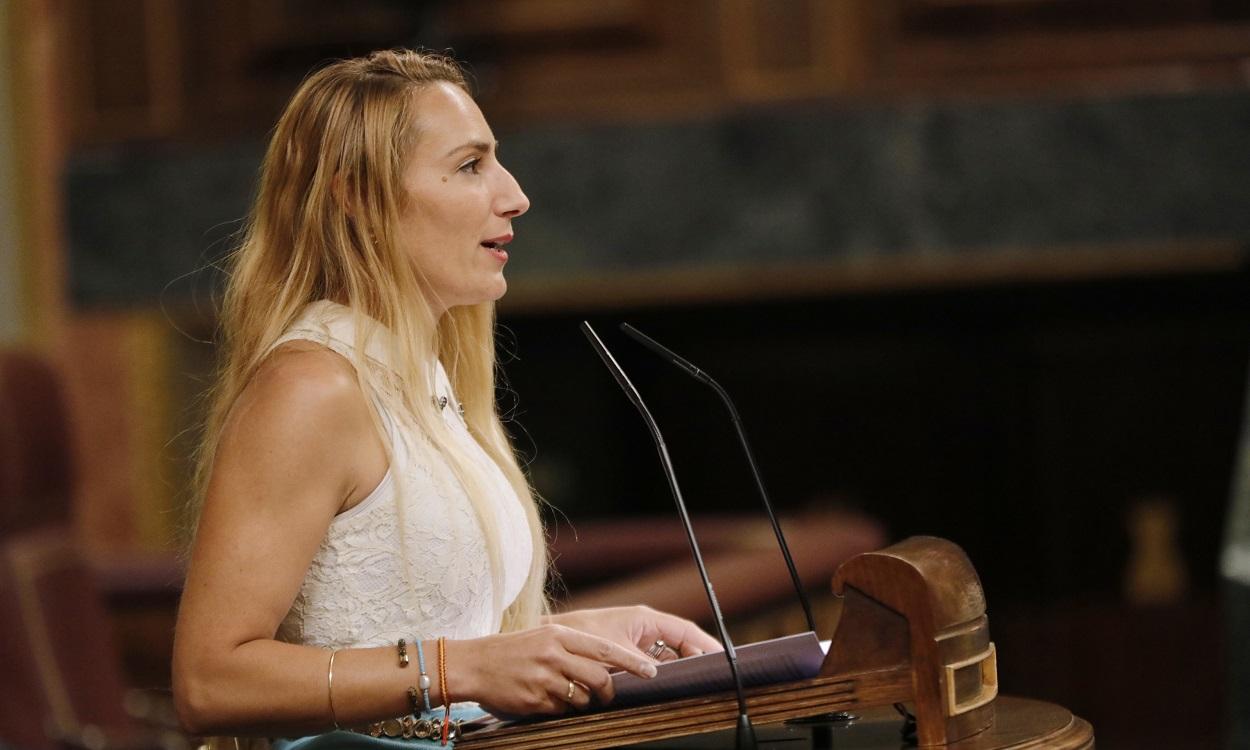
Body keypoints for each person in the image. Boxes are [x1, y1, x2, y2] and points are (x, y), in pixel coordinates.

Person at [171, 49, 720, 748]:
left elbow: (429, 639)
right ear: (358, 198)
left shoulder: (423, 383)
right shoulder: (311, 387)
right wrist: (462, 666)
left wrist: (567, 639)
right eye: (470, 166)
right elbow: (209, 682)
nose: (514, 195)